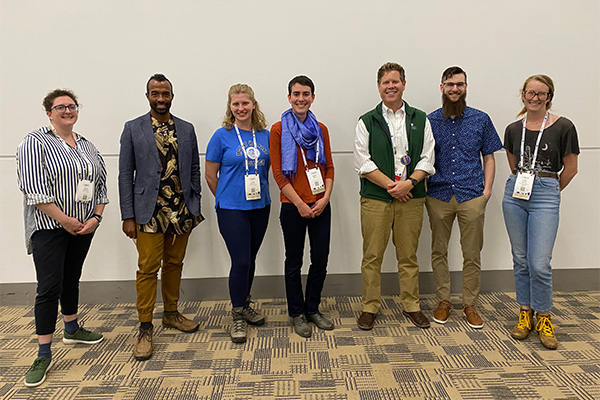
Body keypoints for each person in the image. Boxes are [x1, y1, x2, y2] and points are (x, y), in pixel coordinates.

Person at [17, 89, 108, 387]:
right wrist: (65, 220)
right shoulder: (35, 142)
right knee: (48, 287)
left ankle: (72, 328)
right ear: (49, 113)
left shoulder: (86, 145)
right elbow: (34, 189)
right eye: (60, 107)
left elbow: (101, 184)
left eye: (72, 106)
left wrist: (96, 217)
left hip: (83, 226)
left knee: (71, 278)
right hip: (50, 227)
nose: (67, 111)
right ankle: (43, 352)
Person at [118, 74, 203, 361]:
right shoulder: (133, 128)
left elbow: (193, 170)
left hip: (181, 210)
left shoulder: (187, 128)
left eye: (165, 93)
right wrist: (128, 215)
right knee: (147, 268)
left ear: (172, 96)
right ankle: (144, 327)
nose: (160, 98)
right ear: (147, 96)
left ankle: (171, 313)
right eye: (155, 93)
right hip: (148, 213)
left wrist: (195, 203)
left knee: (175, 264)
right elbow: (124, 176)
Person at [354, 62, 435, 330]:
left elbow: (427, 157)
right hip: (376, 199)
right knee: (372, 255)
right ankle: (369, 307)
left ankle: (411, 305)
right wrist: (394, 186)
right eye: (386, 82)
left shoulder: (421, 119)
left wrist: (409, 184)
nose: (391, 86)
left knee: (409, 255)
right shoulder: (366, 121)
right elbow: (363, 163)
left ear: (403, 84)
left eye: (395, 81)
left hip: (411, 198)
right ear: (378, 87)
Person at [502, 75, 579, 349]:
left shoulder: (564, 126)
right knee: (520, 259)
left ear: (549, 96)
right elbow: (513, 164)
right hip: (516, 193)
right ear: (522, 94)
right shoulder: (513, 128)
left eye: (541, 94)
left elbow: (570, 168)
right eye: (530, 93)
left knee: (539, 263)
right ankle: (525, 312)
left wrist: (551, 190)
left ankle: (544, 316)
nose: (535, 98)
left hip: (546, 191)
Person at [426, 66, 502, 329]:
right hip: (438, 194)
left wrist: (487, 190)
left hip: (472, 195)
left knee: (472, 253)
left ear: (466, 87)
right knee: (439, 250)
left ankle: (470, 304)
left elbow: (489, 155)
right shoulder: (430, 121)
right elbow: (423, 159)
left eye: (459, 84)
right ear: (441, 88)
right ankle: (444, 300)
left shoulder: (481, 119)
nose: (454, 89)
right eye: (449, 84)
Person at [270, 76, 335, 338]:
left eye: (306, 94)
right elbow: (278, 174)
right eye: (296, 94)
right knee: (294, 262)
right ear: (289, 98)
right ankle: (296, 313)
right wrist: (299, 203)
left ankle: (312, 309)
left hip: (320, 204)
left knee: (320, 259)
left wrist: (325, 198)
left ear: (313, 97)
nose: (301, 99)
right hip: (292, 206)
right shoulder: (278, 130)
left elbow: (329, 166)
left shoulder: (321, 129)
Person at [205, 84, 270, 343]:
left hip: (260, 207)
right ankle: (237, 315)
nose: (240, 108)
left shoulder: (265, 135)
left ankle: (245, 302)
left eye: (245, 103)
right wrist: (225, 197)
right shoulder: (221, 136)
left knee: (251, 259)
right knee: (240, 261)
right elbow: (211, 175)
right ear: (230, 107)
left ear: (253, 104)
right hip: (232, 209)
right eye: (235, 104)